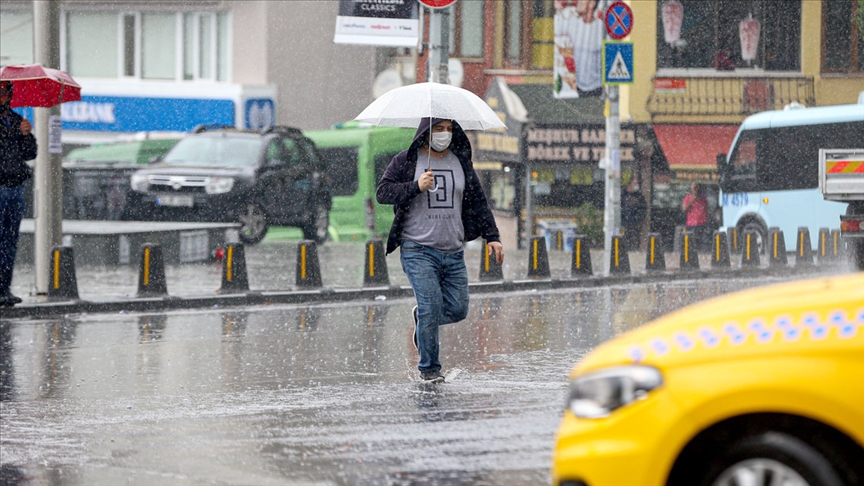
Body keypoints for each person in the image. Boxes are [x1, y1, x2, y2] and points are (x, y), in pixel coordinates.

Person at [376, 117, 504, 384]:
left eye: (449, 129)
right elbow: (383, 192)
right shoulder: (406, 161)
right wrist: (415, 186)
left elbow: (479, 200)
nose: (444, 134)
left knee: (458, 309)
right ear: (425, 131)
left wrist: (493, 236)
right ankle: (430, 370)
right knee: (431, 305)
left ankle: (423, 318)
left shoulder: (461, 162)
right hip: (418, 249)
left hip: (454, 250)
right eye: (438, 129)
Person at [0, 80, 37, 307]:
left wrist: (26, 135)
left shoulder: (15, 120)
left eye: (3, 92)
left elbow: (29, 154)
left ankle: (4, 288)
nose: (0, 97)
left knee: (9, 241)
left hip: (15, 187)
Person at [682, 182, 711, 251]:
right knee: (692, 242)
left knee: (703, 241)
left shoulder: (703, 199)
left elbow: (707, 210)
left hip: (702, 223)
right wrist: (692, 199)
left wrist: (708, 219)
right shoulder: (688, 197)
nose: (695, 190)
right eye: (694, 188)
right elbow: (684, 209)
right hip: (692, 223)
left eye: (696, 187)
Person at [621, 177, 646, 250]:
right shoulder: (623, 194)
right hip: (624, 222)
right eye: (635, 183)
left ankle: (634, 250)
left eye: (637, 184)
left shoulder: (639, 196)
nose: (636, 185)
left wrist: (638, 219)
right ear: (630, 184)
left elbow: (643, 208)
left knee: (634, 238)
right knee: (624, 237)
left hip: (635, 223)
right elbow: (620, 207)